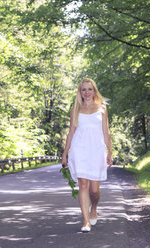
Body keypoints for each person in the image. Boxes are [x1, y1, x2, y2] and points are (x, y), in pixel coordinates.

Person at [61, 77, 113, 233]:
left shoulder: (102, 108)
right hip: (79, 148)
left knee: (94, 191)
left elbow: (106, 132)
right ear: (80, 92)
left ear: (94, 90)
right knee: (83, 184)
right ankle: (85, 222)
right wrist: (65, 153)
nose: (87, 92)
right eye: (83, 89)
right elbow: (71, 132)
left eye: (89, 89)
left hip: (96, 149)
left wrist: (110, 151)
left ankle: (94, 207)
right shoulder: (75, 109)